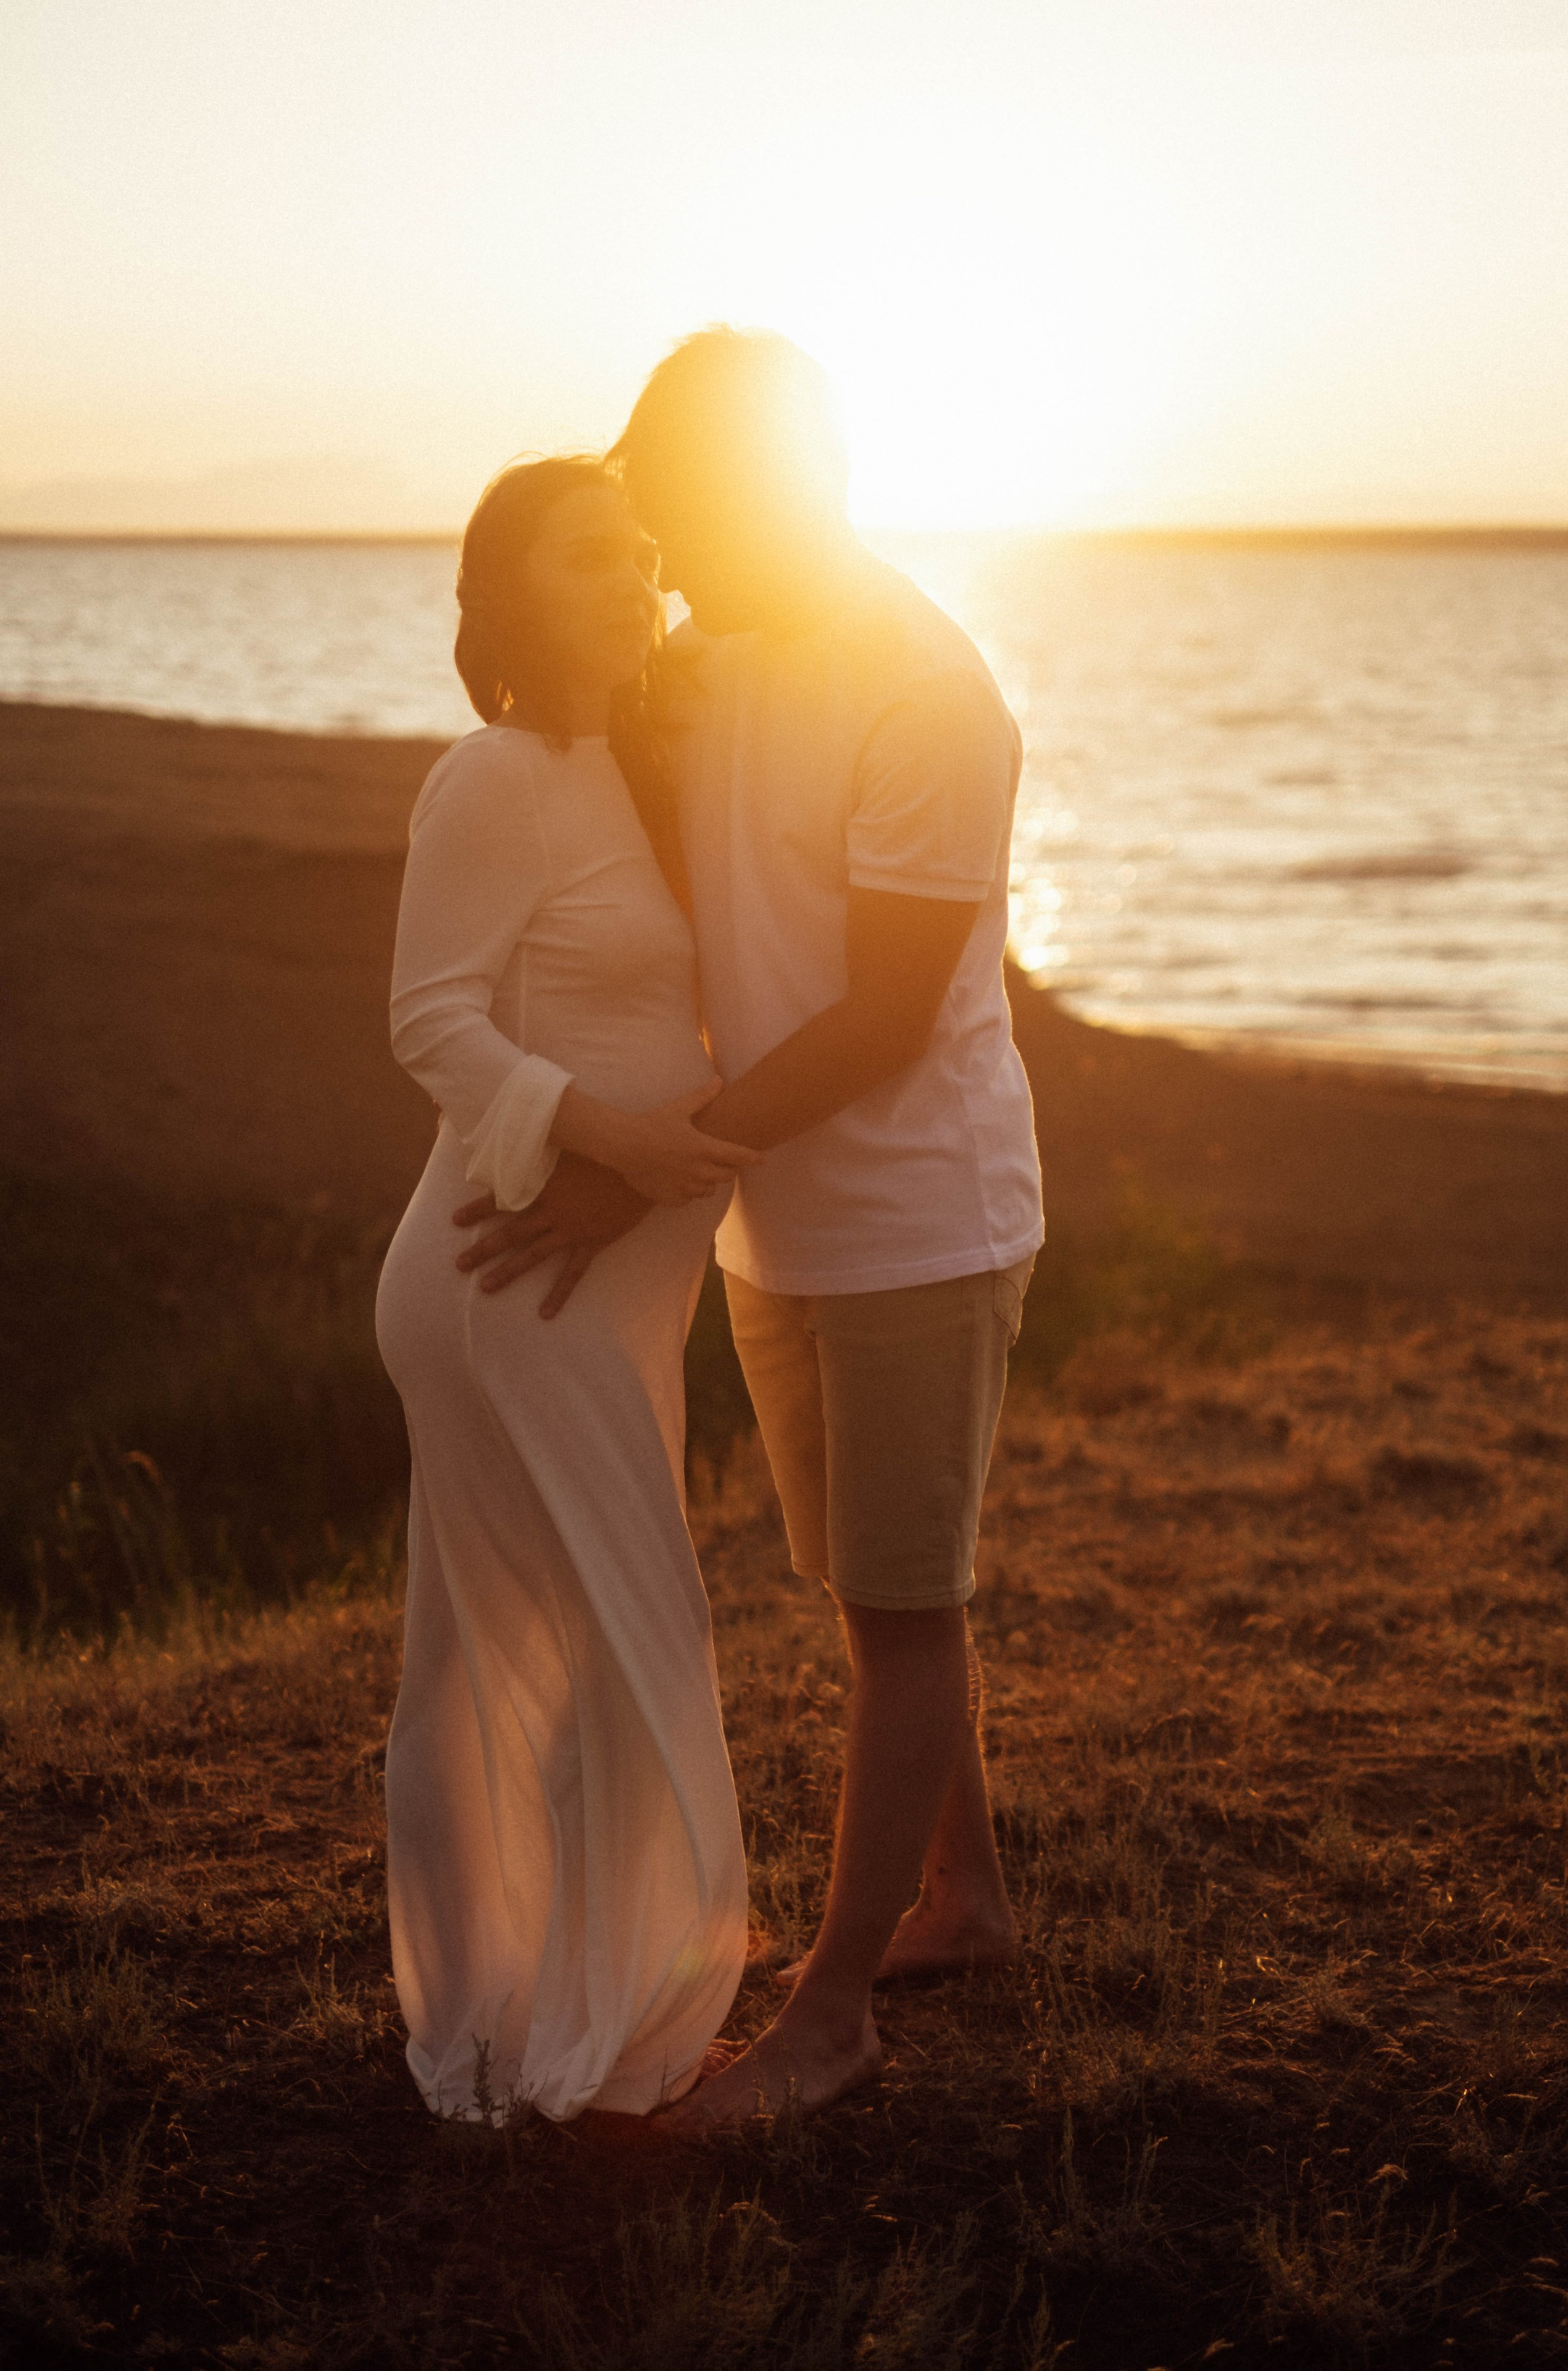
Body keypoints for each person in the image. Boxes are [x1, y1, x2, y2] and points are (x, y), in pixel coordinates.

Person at [461, 332, 1044, 2125]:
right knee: (873, 1595)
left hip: (915, 1217)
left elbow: (880, 1017)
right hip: (771, 1217)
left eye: (687, 517)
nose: (669, 562)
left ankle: (835, 2010)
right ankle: (974, 1897)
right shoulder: (708, 666)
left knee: (903, 1595)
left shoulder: (929, 691)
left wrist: (642, 1158)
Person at [374, 455, 755, 2122]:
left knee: (521, 1648)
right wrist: (607, 1148)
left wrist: (664, 1166)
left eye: (641, 545)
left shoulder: (653, 768)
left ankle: (520, 2019)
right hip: (504, 1264)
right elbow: (431, 1019)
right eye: (590, 553)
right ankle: (593, 2038)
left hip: (604, 1277)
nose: (637, 568)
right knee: (610, 1636)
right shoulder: (498, 772)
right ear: (514, 594)